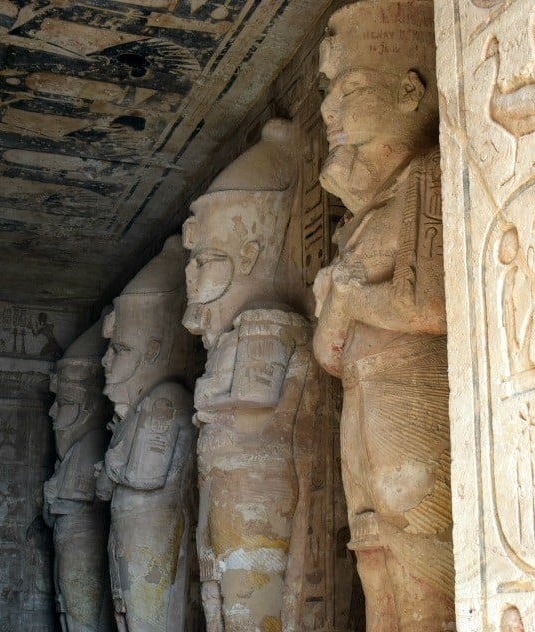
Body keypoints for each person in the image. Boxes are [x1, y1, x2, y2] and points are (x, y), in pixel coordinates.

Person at [312, 3, 454, 630]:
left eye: (348, 90)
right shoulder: (360, 222)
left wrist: (347, 297)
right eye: (328, 94)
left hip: (414, 393)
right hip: (363, 402)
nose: (328, 112)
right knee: (371, 553)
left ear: (407, 91)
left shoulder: (427, 180)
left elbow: (430, 307)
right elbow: (328, 353)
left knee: (417, 547)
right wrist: (339, 304)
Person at [183, 119, 319, 631]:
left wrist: (207, 395)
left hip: (256, 490)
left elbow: (255, 399)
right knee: (217, 599)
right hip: (226, 483)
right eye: (192, 265)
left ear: (250, 255)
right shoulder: (232, 336)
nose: (194, 279)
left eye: (208, 261)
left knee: (248, 606)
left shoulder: (267, 324)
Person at [95, 236, 197, 632]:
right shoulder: (138, 410)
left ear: (152, 350)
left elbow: (144, 477)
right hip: (134, 529)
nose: (105, 362)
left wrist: (113, 466)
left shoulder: (164, 402)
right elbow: (107, 485)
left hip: (151, 530)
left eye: (119, 350)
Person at [43, 317, 114, 632]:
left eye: (66, 403)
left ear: (90, 406)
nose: (54, 413)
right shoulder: (76, 451)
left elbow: (76, 502)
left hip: (83, 544)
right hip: (70, 543)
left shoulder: (90, 445)